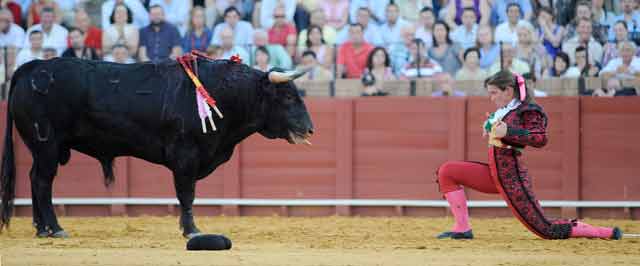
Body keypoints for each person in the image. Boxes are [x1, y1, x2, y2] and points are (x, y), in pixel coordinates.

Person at [435, 70, 623, 240]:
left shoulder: (528, 110)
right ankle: (462, 228)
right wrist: (490, 125)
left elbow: (539, 138)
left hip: (512, 181)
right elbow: (500, 125)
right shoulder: (506, 111)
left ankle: (602, 232)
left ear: (508, 91)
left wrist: (507, 132)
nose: (491, 98)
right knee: (447, 172)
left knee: (546, 229)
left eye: (494, 93)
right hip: (494, 174)